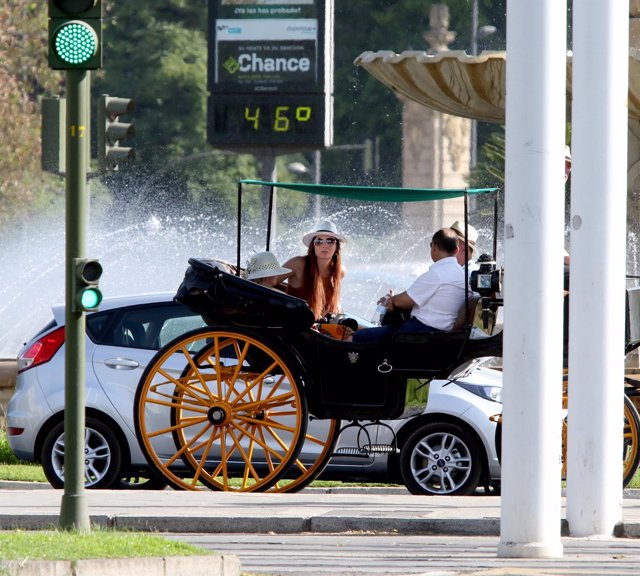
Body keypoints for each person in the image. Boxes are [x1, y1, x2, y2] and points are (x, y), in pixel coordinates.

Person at [353, 228, 467, 343]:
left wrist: (392, 300)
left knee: (358, 336)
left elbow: (401, 302)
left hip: (420, 333)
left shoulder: (437, 274)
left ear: (434, 247)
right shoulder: (462, 276)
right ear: (456, 250)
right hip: (440, 335)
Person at [281, 220, 347, 320]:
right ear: (313, 246)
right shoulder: (298, 264)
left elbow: (335, 303)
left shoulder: (340, 271)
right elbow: (269, 282)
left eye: (330, 241)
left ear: (336, 246)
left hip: (318, 326)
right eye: (319, 241)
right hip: (291, 324)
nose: (324, 245)